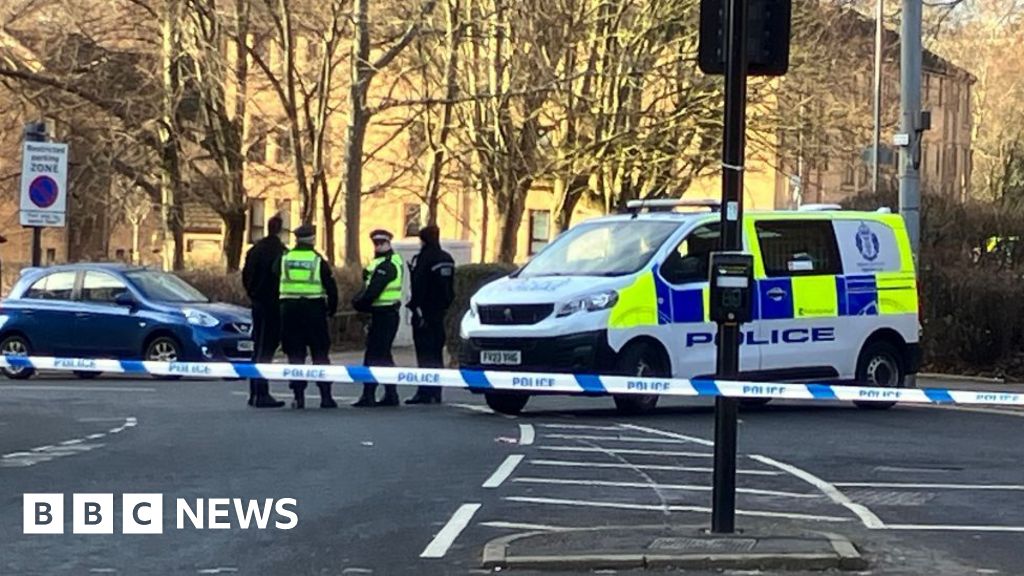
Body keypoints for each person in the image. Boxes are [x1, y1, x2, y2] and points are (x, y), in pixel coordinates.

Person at [275, 224, 339, 409]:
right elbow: (331, 287)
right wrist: (332, 310)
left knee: (295, 355)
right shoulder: (317, 260)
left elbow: (274, 275)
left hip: (289, 310)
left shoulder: (285, 258)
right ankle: (326, 397)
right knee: (320, 354)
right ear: (312, 239)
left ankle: (298, 396)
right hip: (314, 310)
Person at [351, 229, 404, 407]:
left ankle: (370, 395)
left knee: (374, 355)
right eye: (376, 243)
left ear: (389, 243)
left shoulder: (387, 265)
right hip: (381, 314)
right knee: (382, 355)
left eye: (382, 243)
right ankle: (390, 394)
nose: (379, 246)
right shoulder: (380, 263)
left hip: (385, 314)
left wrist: (358, 304)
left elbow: (372, 292)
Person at [405, 225, 455, 404]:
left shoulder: (424, 259)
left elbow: (418, 286)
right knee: (436, 353)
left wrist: (415, 307)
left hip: (424, 312)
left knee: (424, 354)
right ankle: (437, 391)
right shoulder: (446, 259)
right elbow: (449, 289)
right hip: (441, 312)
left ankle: (424, 391)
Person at [241, 214, 286, 408]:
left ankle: (254, 392)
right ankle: (263, 393)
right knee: (266, 349)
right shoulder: (281, 252)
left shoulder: (254, 251)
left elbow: (246, 276)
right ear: (280, 230)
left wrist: (253, 295)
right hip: (274, 305)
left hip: (258, 304)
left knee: (257, 346)